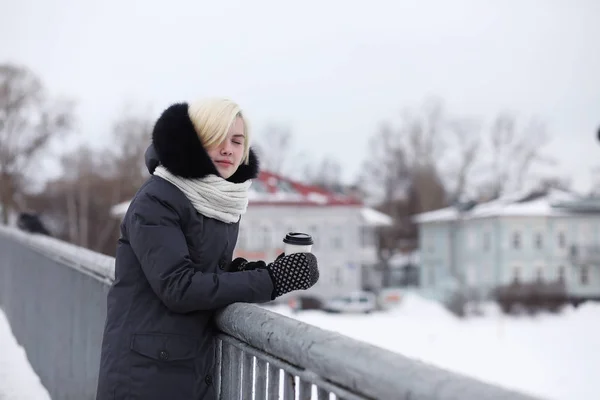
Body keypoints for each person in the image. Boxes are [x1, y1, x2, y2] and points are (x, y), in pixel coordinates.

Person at [95, 98, 319, 400]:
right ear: (194, 142)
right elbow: (179, 286)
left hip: (186, 366)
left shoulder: (221, 200)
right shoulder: (157, 199)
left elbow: (201, 268)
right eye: (216, 137)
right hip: (144, 374)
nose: (228, 148)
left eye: (237, 141)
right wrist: (272, 281)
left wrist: (250, 271)